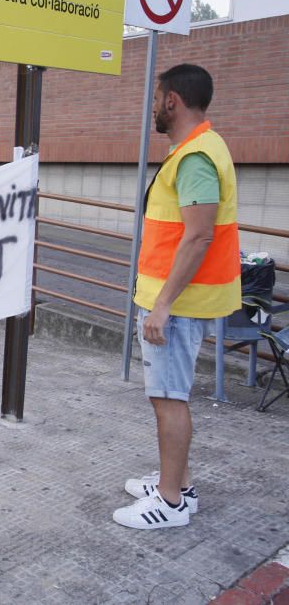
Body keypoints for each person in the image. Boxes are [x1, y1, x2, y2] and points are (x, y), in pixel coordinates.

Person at [113, 64, 240, 530]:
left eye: (156, 99)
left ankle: (169, 503)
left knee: (169, 399)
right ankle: (177, 485)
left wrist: (162, 305)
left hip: (178, 305)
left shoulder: (195, 157)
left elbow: (198, 236)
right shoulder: (198, 148)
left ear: (172, 101)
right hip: (177, 301)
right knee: (165, 396)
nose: (153, 109)